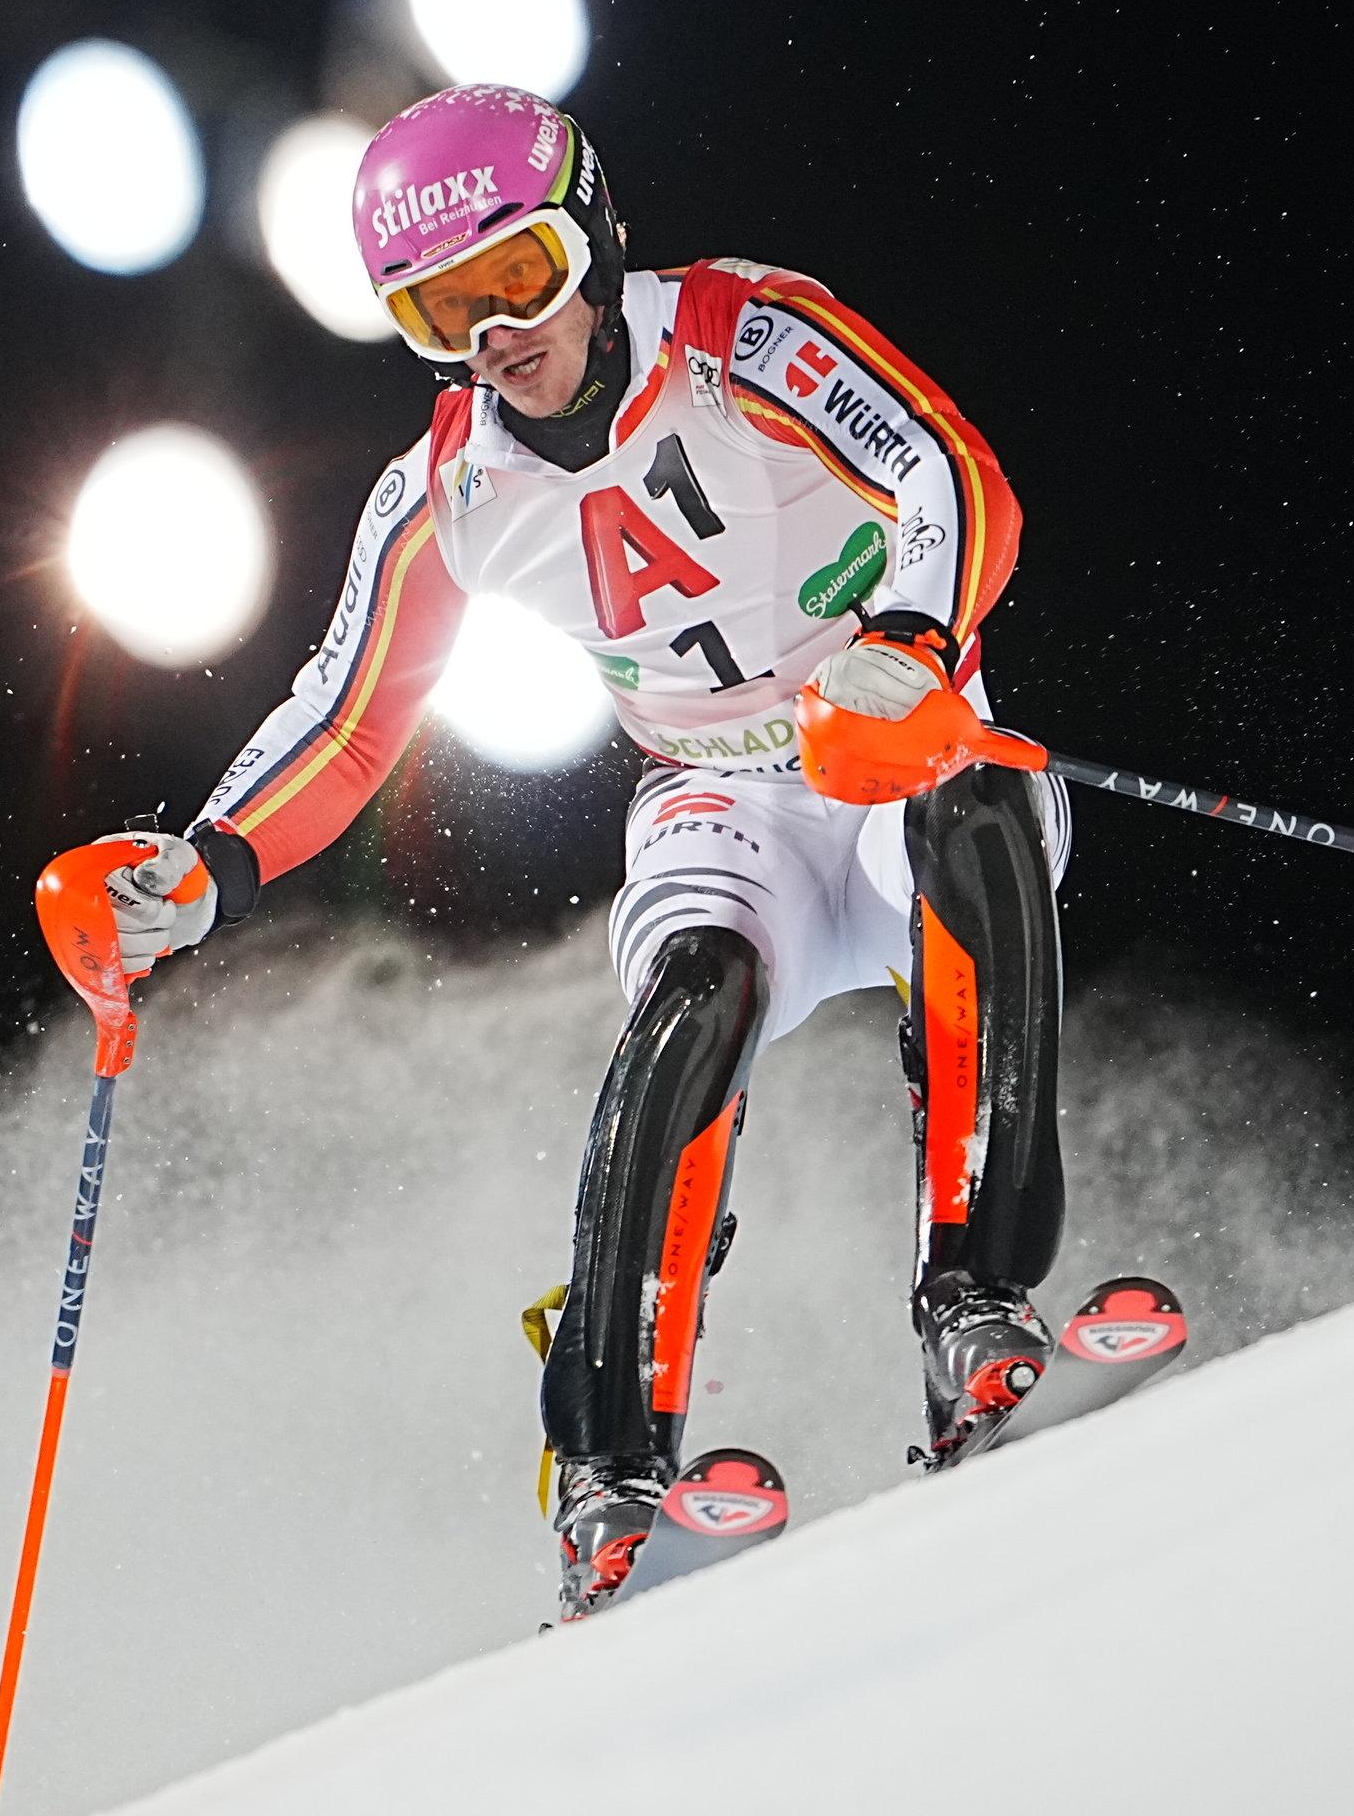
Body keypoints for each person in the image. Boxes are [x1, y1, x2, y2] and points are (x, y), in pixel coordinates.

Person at [96, 84, 1071, 1620]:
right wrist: (203, 868)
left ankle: (980, 1306)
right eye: (440, 310)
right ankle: (613, 1471)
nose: (496, 334)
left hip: (877, 736)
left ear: (595, 233)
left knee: (982, 812)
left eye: (519, 278)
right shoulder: (446, 492)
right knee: (693, 994)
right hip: (714, 788)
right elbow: (347, 722)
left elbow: (952, 471)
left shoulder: (747, 334)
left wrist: (912, 642)